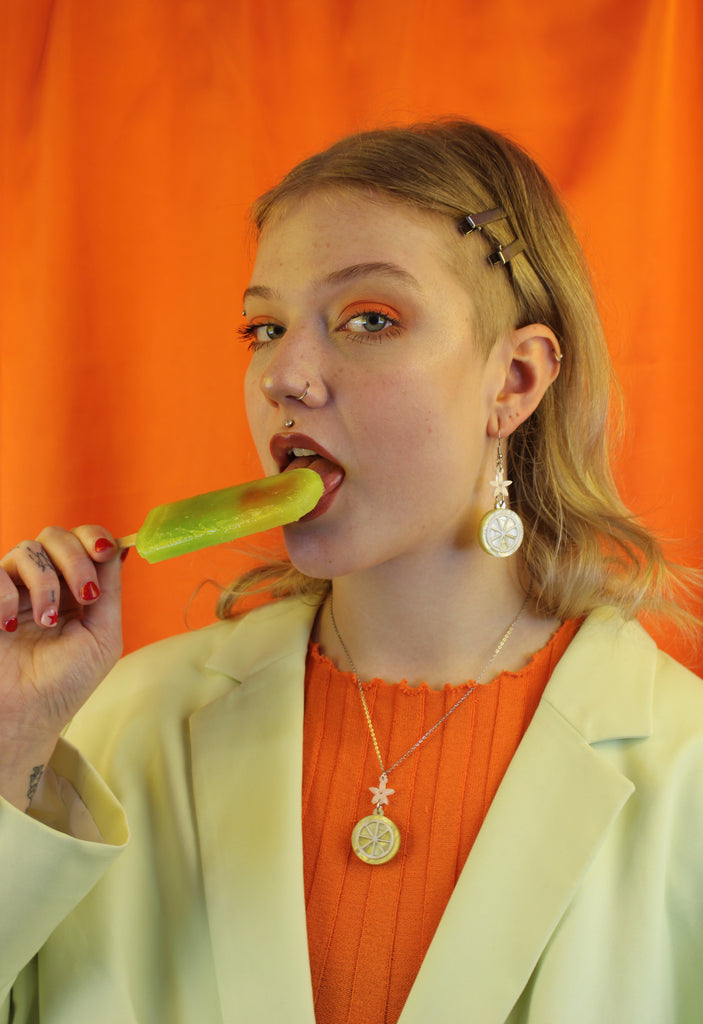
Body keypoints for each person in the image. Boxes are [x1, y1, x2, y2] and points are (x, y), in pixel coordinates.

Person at [1, 119, 702, 1024]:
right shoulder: (114, 733)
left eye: (370, 319)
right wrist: (11, 747)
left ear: (515, 380)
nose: (283, 377)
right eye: (264, 327)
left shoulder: (686, 769)